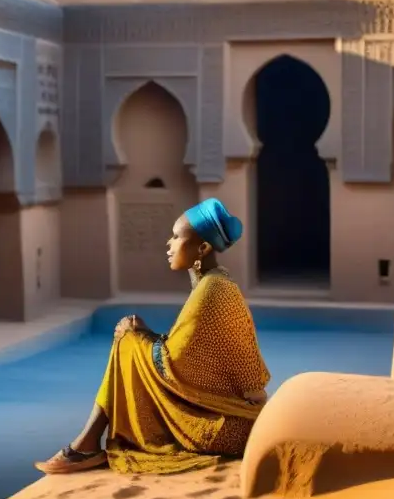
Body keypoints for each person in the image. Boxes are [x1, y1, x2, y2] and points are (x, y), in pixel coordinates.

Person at [34, 198, 271, 475]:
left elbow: (170, 364)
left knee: (127, 339)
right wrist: (143, 336)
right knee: (131, 337)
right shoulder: (218, 283)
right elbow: (189, 360)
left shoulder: (212, 290)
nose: (168, 245)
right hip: (232, 419)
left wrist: (140, 334)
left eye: (176, 237)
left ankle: (87, 443)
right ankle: (87, 442)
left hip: (224, 428)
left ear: (202, 248)